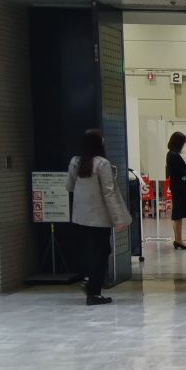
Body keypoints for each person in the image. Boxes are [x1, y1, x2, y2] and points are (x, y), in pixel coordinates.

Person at [66, 128, 131, 306]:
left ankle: (88, 279)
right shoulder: (102, 164)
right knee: (101, 252)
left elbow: (69, 186)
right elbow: (109, 193)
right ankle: (94, 292)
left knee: (89, 250)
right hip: (100, 217)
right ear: (99, 143)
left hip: (80, 216)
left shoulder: (75, 162)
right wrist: (118, 219)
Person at [165, 131, 186, 249]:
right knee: (178, 215)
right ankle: (178, 240)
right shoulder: (174, 155)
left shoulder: (171, 154)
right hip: (179, 188)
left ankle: (178, 239)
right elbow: (182, 171)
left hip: (176, 187)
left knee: (178, 215)